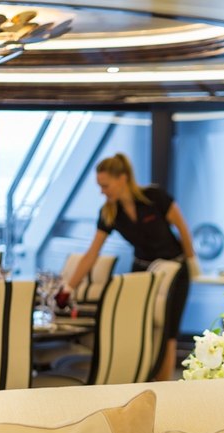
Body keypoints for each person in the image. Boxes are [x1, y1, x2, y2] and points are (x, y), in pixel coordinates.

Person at [63, 152, 200, 381]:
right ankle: (139, 380)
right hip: (143, 272)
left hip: (175, 270)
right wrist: (68, 288)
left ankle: (164, 387)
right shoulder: (109, 212)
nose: (102, 191)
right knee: (140, 327)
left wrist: (192, 261)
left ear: (122, 178)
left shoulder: (154, 198)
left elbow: (183, 229)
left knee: (167, 332)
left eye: (105, 185)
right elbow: (92, 254)